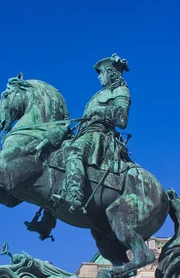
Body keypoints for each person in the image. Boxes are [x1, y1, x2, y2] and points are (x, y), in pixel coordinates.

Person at [54, 53, 131, 212]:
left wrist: (98, 111)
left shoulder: (121, 91)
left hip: (100, 136)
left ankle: (74, 196)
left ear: (111, 73)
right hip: (85, 133)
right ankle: (47, 217)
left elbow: (122, 120)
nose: (99, 78)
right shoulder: (97, 95)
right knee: (56, 152)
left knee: (73, 150)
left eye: (101, 73)